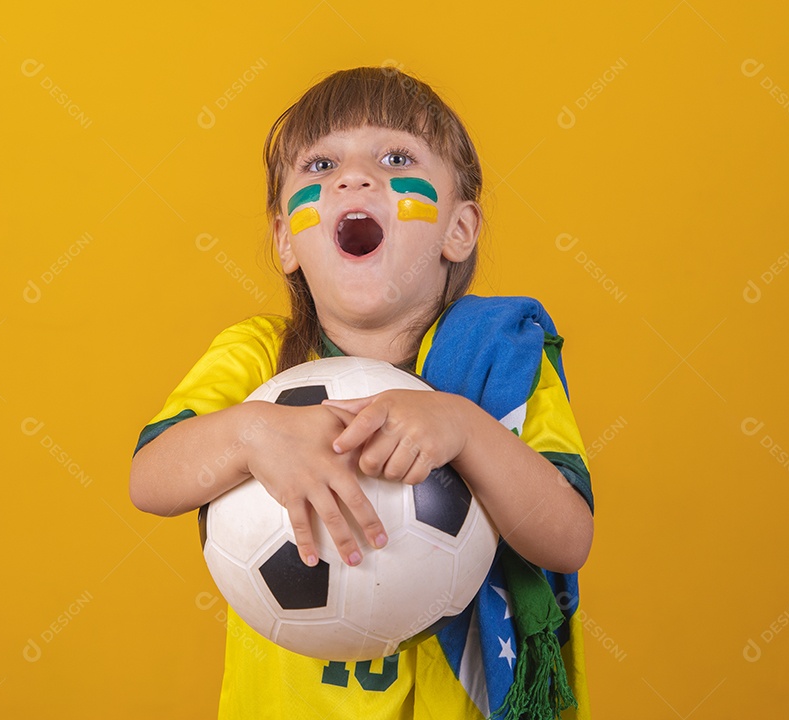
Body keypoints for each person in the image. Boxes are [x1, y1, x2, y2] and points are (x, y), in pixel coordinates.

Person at [129, 66, 595, 720]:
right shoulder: (258, 357)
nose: (352, 177)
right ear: (287, 239)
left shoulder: (499, 358)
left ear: (459, 229)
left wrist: (463, 427)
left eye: (396, 157)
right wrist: (251, 432)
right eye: (319, 165)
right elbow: (150, 481)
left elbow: (567, 538)